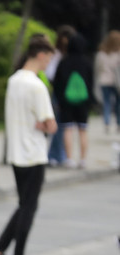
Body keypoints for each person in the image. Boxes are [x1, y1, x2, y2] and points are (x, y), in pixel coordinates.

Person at [0, 37, 57, 255]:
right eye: (49, 58)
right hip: (33, 152)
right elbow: (51, 124)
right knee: (28, 207)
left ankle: (0, 250)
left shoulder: (14, 80)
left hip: (16, 151)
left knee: (24, 205)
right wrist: (43, 126)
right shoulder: (36, 85)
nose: (48, 64)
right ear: (42, 55)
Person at [53, 33, 94, 169]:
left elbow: (57, 83)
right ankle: (82, 160)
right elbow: (91, 83)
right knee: (83, 130)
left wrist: (59, 100)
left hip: (66, 101)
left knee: (67, 129)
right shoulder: (87, 62)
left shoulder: (64, 62)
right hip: (83, 101)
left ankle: (69, 159)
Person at [45, 26, 76, 167]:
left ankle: (59, 154)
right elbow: (50, 74)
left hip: (68, 94)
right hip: (57, 93)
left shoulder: (71, 56)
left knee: (64, 126)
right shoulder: (56, 55)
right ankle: (54, 155)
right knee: (57, 125)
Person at [95, 30, 120, 134]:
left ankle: (107, 122)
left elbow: (98, 68)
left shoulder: (101, 53)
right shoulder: (118, 53)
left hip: (104, 80)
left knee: (107, 103)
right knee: (118, 103)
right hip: (117, 82)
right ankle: (118, 123)